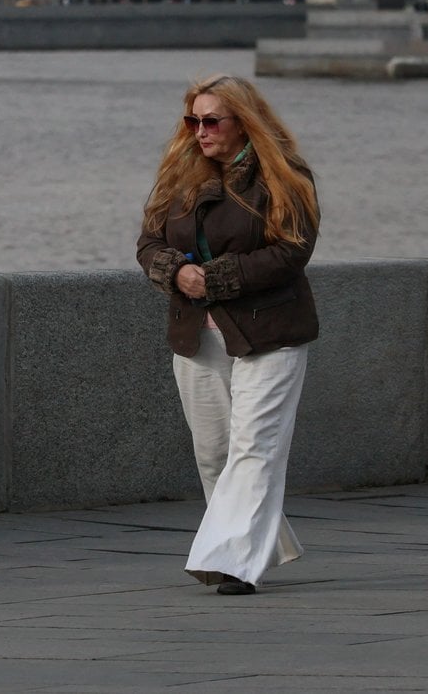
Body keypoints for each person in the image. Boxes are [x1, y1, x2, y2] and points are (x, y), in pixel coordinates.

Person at [136, 73, 320, 597]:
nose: (200, 130)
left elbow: (292, 250)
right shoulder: (179, 174)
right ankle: (264, 540)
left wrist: (213, 278)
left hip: (271, 333)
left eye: (211, 120)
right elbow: (148, 241)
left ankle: (234, 562)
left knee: (253, 448)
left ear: (244, 121)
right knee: (215, 453)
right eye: (192, 120)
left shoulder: (284, 175)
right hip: (198, 335)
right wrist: (174, 271)